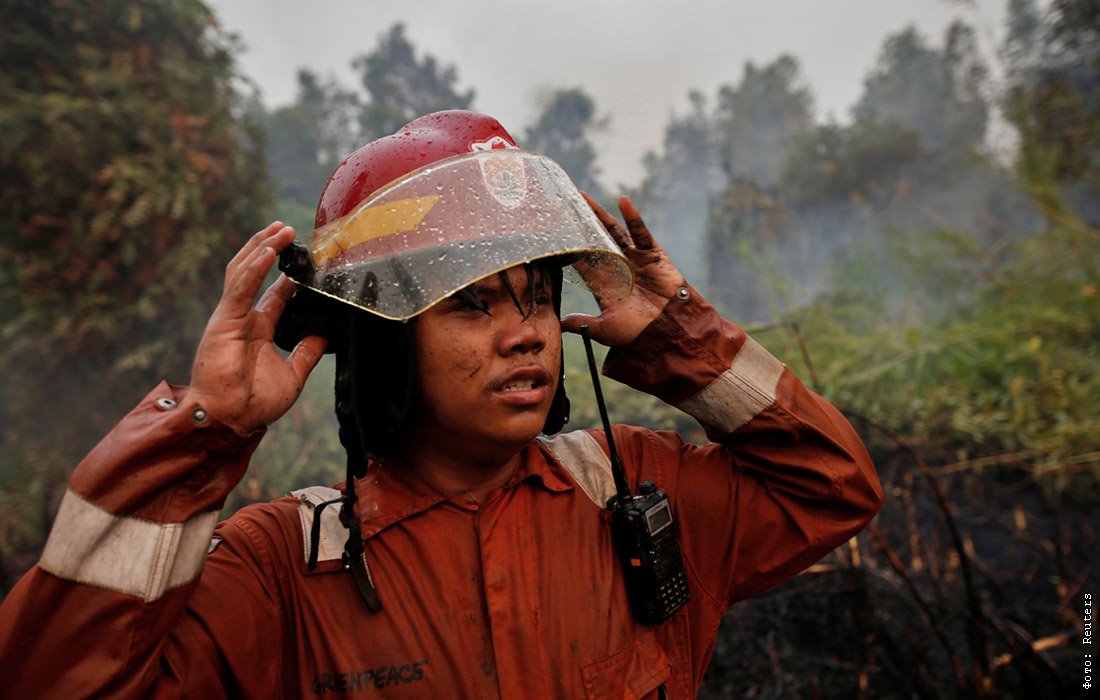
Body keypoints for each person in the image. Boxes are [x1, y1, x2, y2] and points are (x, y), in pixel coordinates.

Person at [0, 110, 881, 698]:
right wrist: (204, 434)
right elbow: (51, 684)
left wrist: (679, 338)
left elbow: (831, 489)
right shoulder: (280, 573)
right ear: (386, 340)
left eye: (535, 294)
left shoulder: (634, 491)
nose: (527, 331)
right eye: (471, 303)